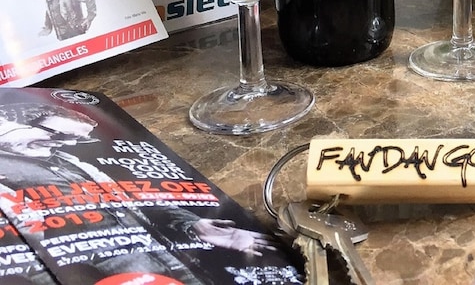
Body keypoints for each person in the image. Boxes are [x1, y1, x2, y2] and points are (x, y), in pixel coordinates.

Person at [0, 102, 288, 285]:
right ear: (6, 121)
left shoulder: (65, 159)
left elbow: (129, 201)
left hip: (168, 268)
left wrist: (192, 224)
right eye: (57, 134)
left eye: (75, 140)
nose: (63, 144)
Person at [29, 0, 96, 40]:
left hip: (76, 32)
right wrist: (48, 27)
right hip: (62, 36)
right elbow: (50, 12)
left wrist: (89, 18)